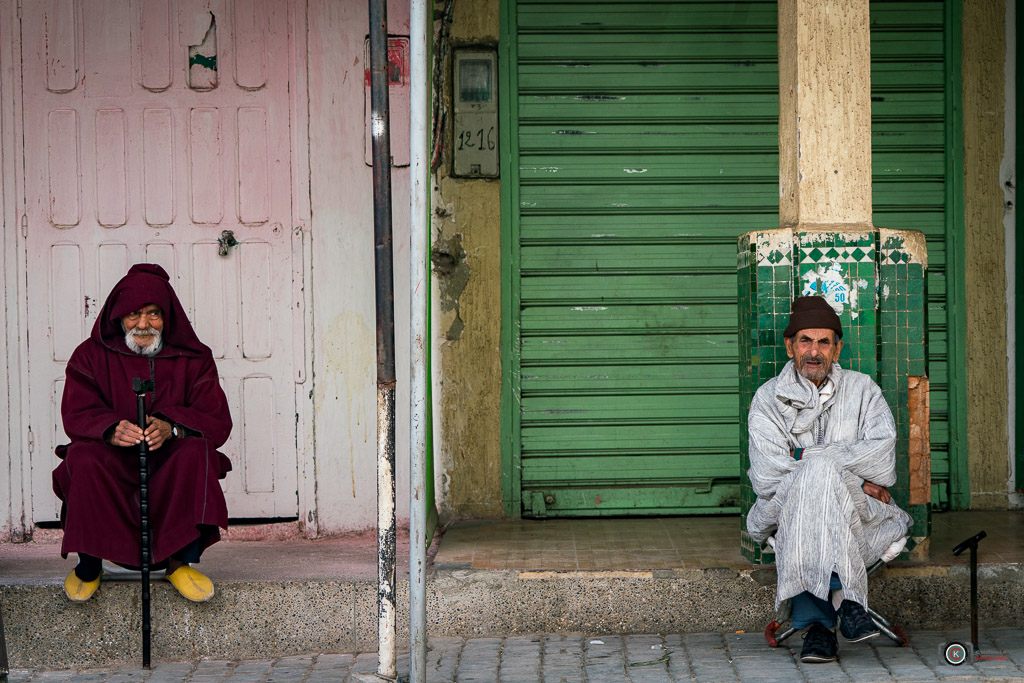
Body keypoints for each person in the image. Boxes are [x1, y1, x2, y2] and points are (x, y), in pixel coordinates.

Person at [53, 264, 232, 603]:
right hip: (113, 462)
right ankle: (89, 566)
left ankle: (180, 564)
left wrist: (173, 427)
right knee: (83, 457)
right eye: (134, 314)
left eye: (154, 314)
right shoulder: (89, 355)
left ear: (168, 317)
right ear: (118, 316)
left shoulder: (196, 359)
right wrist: (110, 429)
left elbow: (216, 420)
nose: (144, 324)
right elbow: (76, 413)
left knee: (197, 452)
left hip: (167, 461)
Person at [746, 296, 911, 663]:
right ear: (790, 346)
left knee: (817, 476)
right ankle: (849, 603)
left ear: (837, 349)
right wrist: (854, 476)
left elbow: (882, 460)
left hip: (860, 512)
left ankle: (818, 628)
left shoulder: (863, 389)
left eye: (824, 342)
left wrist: (805, 459)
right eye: (805, 340)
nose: (814, 351)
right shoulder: (767, 399)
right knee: (813, 485)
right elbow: (767, 474)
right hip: (787, 507)